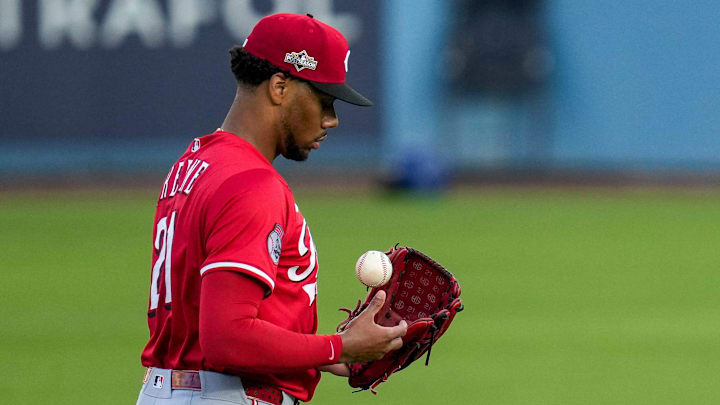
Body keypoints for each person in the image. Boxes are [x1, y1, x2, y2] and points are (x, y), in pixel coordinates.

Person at [135, 13, 408, 405]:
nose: (332, 119)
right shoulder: (252, 184)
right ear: (280, 86)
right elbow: (227, 339)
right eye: (324, 99)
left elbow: (218, 321)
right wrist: (339, 347)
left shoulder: (193, 164)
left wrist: (325, 349)